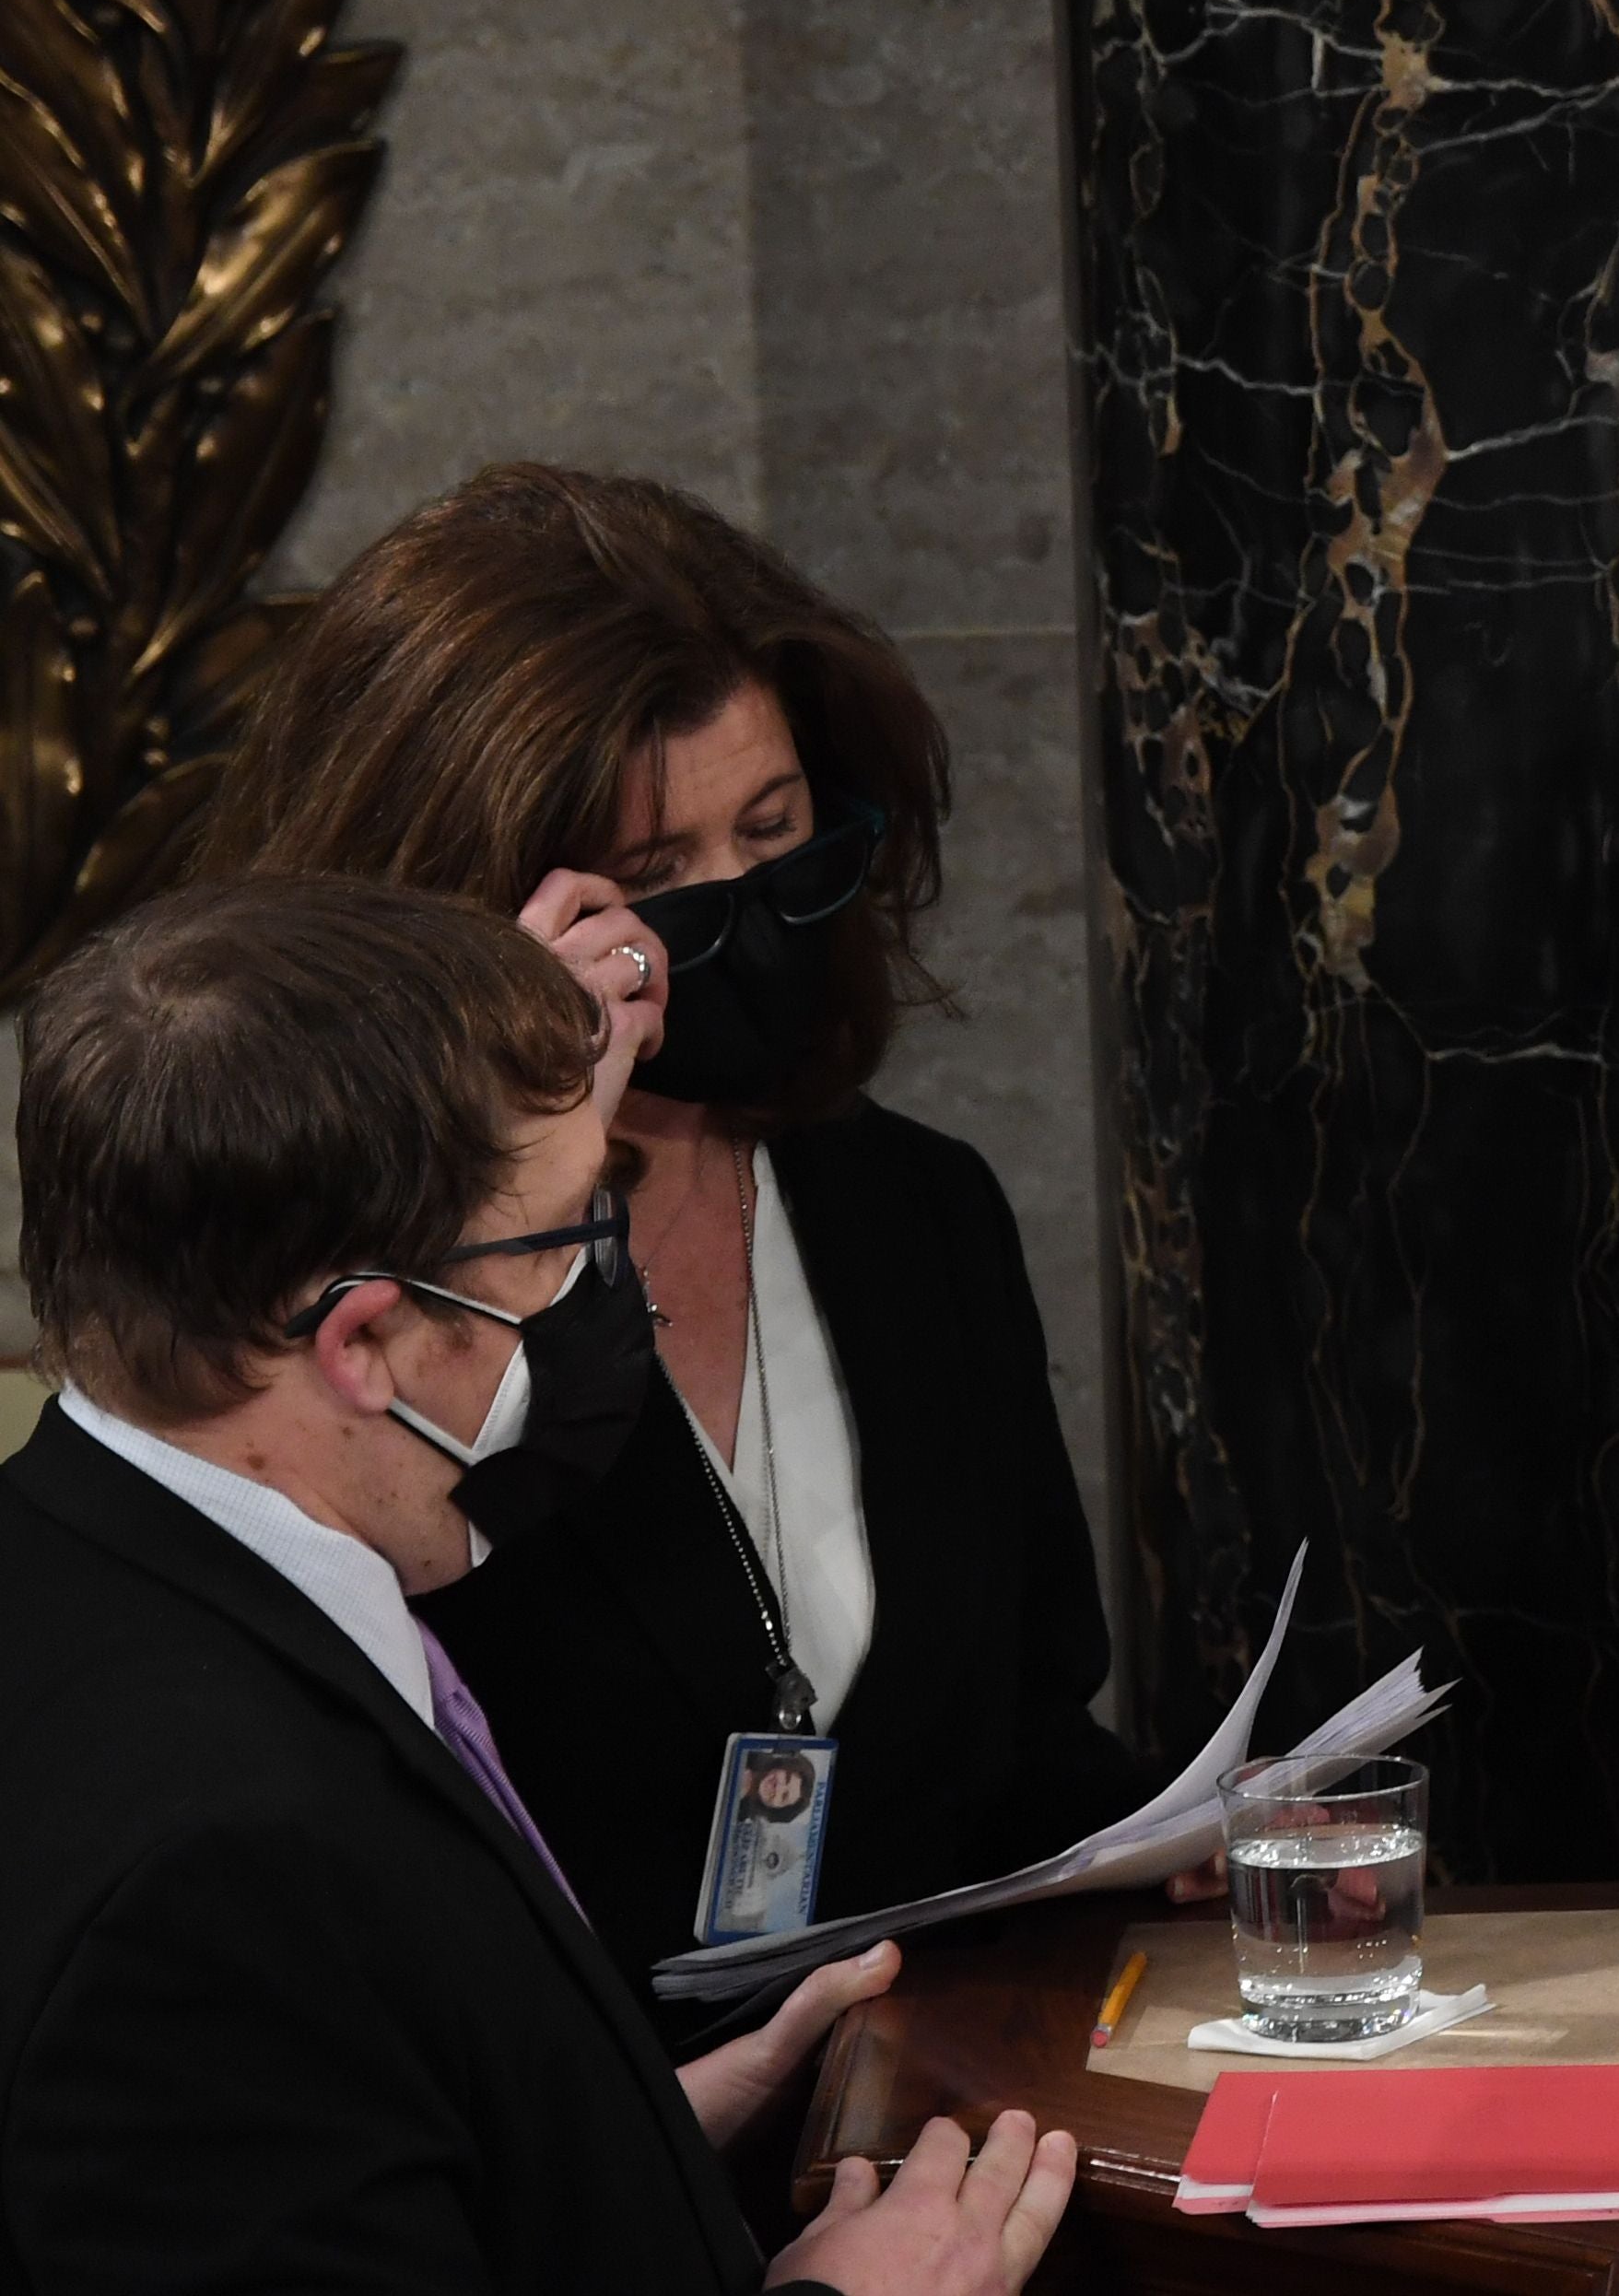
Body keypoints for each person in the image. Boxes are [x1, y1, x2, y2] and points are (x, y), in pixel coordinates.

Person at [0, 873, 1071, 2290]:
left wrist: (619, 2132)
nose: (599, 1296)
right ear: (364, 1340)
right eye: (563, 1242)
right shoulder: (215, 1880)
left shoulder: (81, 1561)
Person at [194, 463, 1151, 2028]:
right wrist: (491, 1117)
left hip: (932, 2115)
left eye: (773, 835)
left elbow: (1018, 1737)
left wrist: (1152, 1843)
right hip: (562, 2161)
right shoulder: (355, 1303)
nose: (741, 912)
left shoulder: (920, 1212)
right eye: (652, 885)